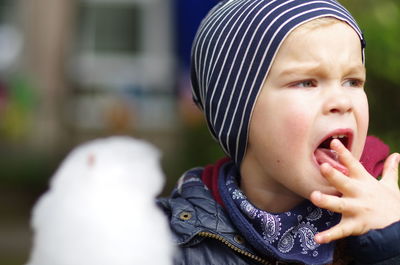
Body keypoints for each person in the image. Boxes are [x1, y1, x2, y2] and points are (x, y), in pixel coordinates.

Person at [158, 0, 400, 264]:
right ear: (239, 108)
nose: (342, 102)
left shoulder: (388, 221)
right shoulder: (164, 243)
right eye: (307, 82)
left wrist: (390, 242)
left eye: (352, 81)